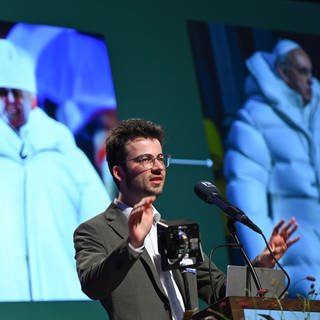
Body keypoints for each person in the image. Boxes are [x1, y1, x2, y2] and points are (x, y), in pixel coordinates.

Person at [74, 118, 299, 320]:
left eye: (161, 158)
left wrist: (262, 265)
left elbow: (220, 290)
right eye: (145, 159)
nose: (158, 167)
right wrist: (133, 244)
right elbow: (94, 286)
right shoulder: (94, 230)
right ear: (118, 173)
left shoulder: (175, 231)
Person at [0, 39, 111, 301]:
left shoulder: (65, 155)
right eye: (2, 93)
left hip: (66, 300)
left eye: (19, 93)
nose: (12, 101)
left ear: (33, 98)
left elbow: (102, 227)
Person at [224, 39, 320, 296]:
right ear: (282, 71)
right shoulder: (253, 119)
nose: (309, 79)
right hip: (296, 260)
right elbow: (247, 197)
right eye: (302, 71)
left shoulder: (316, 115)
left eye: (311, 72)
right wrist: (267, 279)